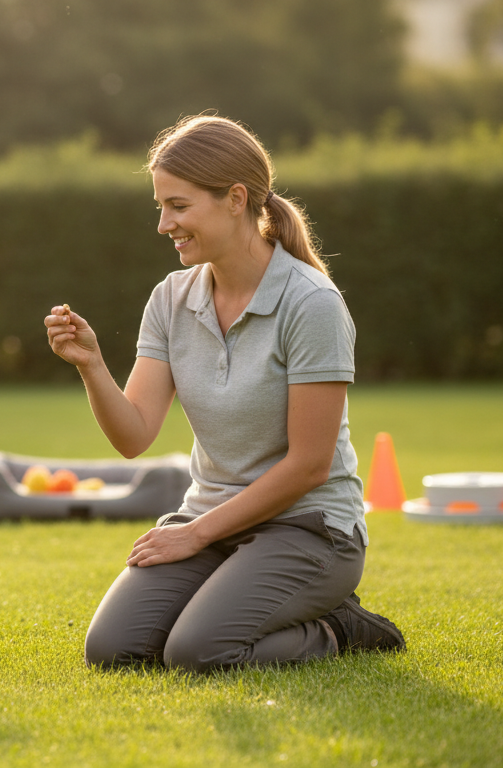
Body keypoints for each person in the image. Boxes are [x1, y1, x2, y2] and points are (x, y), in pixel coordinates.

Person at [44, 114, 405, 672]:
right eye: (161, 207)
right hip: (211, 519)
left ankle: (339, 626)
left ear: (235, 198)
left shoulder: (311, 303)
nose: (165, 224)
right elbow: (134, 436)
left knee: (199, 652)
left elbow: (310, 467)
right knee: (113, 650)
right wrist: (91, 365)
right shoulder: (171, 297)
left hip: (310, 528)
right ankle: (238, 588)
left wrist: (194, 537)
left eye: (179, 206)